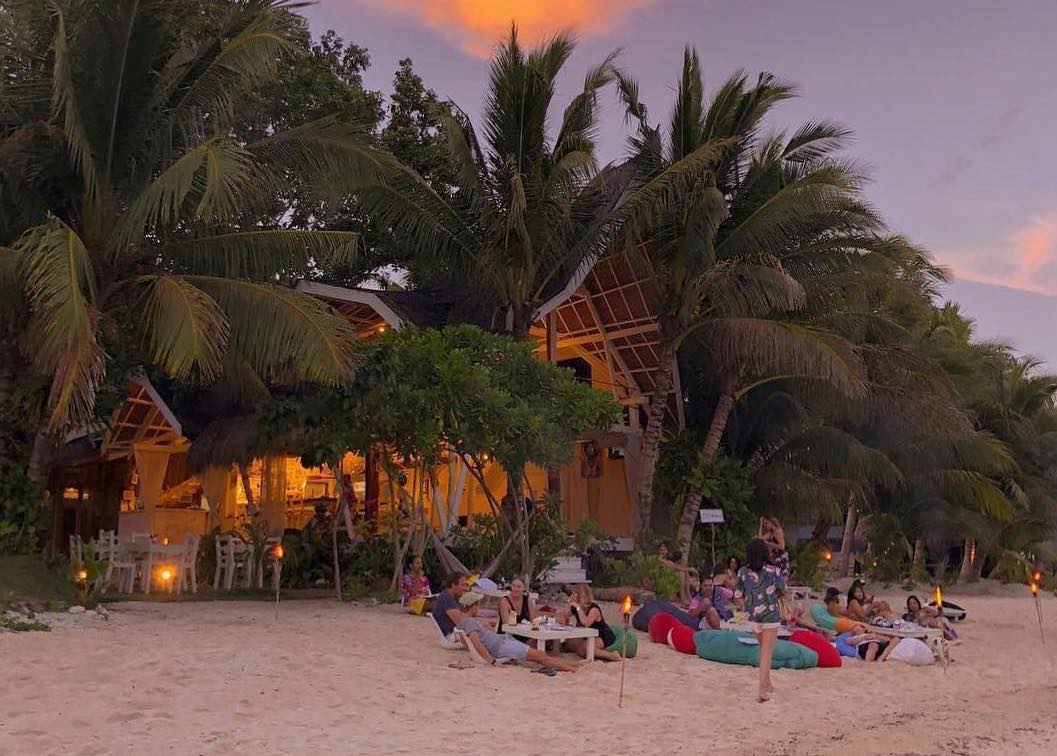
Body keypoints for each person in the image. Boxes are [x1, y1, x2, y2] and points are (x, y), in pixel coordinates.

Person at [432, 574, 580, 672]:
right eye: (477, 604)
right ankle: (572, 669)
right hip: (501, 647)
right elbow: (476, 644)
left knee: (539, 654)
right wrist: (491, 661)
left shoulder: (469, 622)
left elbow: (471, 640)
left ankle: (572, 665)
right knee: (539, 656)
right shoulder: (468, 622)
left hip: (504, 640)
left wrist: (484, 626)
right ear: (472, 606)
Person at [734, 516, 788, 703]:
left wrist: (746, 606)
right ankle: (761, 691)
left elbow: (737, 595)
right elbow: (783, 591)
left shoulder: (742, 571)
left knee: (763, 650)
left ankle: (768, 683)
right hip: (770, 616)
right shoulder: (773, 570)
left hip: (753, 616)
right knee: (766, 653)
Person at [566, 584, 621, 662]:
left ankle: (612, 655)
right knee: (570, 642)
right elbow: (564, 616)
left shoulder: (593, 608)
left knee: (585, 648)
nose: (572, 595)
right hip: (587, 635)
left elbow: (586, 623)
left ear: (581, 595)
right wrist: (568, 604)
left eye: (574, 593)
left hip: (602, 635)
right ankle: (585, 651)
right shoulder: (576, 608)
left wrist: (577, 607)